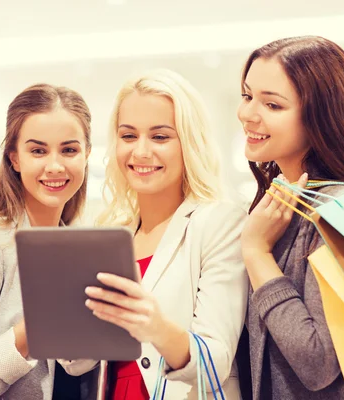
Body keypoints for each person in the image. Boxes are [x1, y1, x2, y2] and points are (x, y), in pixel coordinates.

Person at [236, 35, 344, 400]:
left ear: (320, 116)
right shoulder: (285, 203)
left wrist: (256, 253)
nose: (248, 114)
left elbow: (317, 363)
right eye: (248, 95)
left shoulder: (339, 209)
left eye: (272, 104)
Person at [79, 69, 248, 399]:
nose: (141, 152)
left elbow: (215, 363)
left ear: (189, 143)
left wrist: (155, 327)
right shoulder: (112, 232)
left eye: (159, 137)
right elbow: (79, 364)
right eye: (128, 136)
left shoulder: (220, 222)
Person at [0, 83, 99, 400]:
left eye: (69, 150)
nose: (55, 165)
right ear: (14, 158)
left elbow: (76, 370)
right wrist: (34, 329)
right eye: (38, 150)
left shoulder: (83, 246)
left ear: (86, 155)